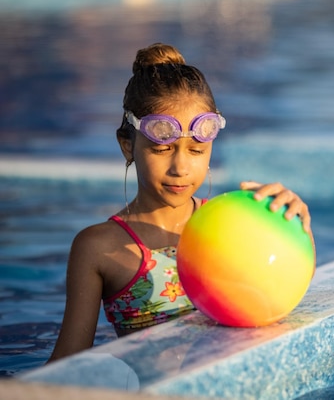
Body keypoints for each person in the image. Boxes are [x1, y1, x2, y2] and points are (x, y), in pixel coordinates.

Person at [48, 43, 313, 362]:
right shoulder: (98, 248)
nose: (180, 168)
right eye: (162, 150)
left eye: (196, 151)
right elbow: (65, 366)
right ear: (127, 146)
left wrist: (296, 229)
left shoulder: (234, 228)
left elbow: (284, 294)